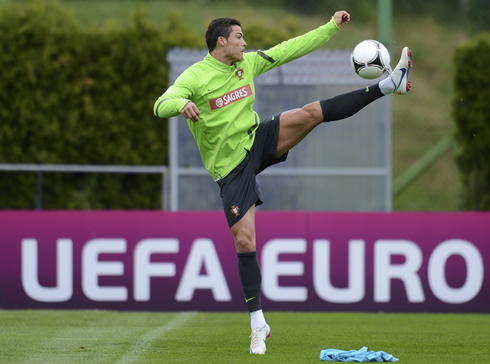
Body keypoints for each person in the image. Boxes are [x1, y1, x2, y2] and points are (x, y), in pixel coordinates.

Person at [154, 11, 412, 355]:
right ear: (222, 42)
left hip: (257, 139)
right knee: (245, 241)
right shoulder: (196, 76)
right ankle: (258, 323)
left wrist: (331, 27)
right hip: (231, 169)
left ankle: (387, 85)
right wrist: (182, 103)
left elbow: (291, 48)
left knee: (309, 113)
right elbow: (160, 104)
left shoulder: (247, 63)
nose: (245, 42)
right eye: (239, 37)